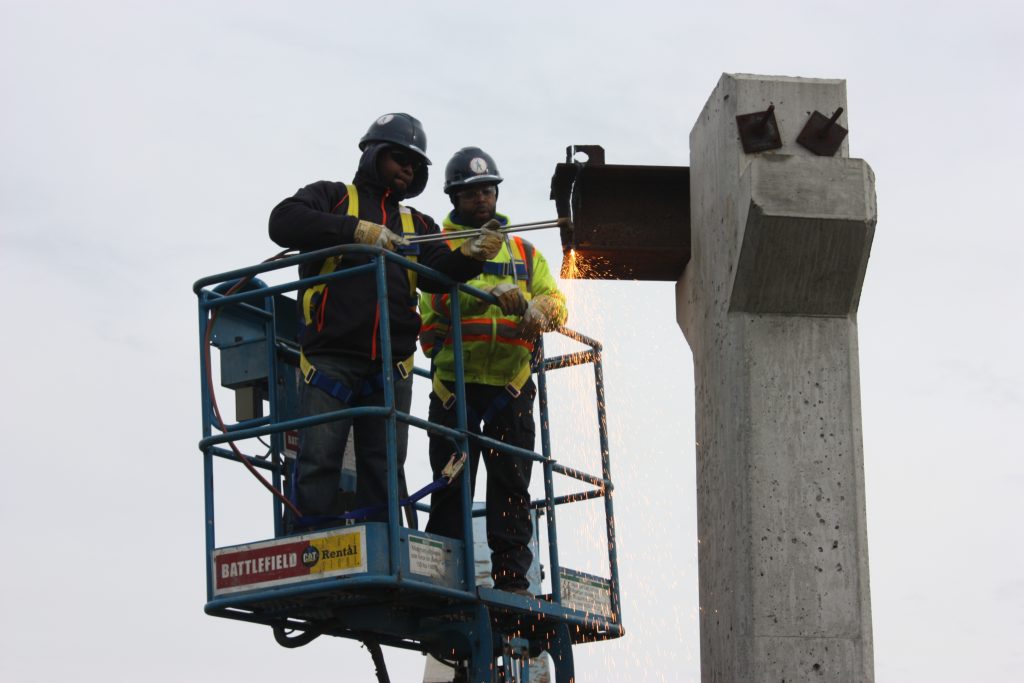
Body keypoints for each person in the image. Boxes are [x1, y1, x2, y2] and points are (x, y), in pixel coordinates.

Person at [268, 114, 503, 529]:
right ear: (374, 155)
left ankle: (383, 550)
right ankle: (310, 547)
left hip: (391, 367)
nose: (408, 169)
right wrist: (355, 230)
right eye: (399, 158)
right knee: (319, 461)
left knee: (385, 469)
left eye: (415, 164)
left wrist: (471, 255)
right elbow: (282, 221)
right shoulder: (334, 197)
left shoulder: (418, 225)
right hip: (330, 358)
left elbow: (441, 272)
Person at [419, 147, 567, 595]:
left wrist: (543, 309)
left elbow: (556, 299)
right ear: (454, 198)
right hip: (456, 387)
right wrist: (490, 291)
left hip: (510, 386)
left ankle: (512, 581)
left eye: (487, 190)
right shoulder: (437, 247)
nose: (481, 198)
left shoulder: (524, 250)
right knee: (451, 484)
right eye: (471, 193)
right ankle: (444, 576)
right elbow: (436, 297)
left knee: (512, 486)